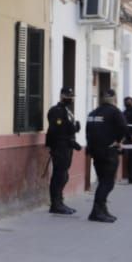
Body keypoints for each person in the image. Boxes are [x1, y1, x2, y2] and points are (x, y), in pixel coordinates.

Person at [84, 88, 128, 223]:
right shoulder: (115, 112)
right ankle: (97, 212)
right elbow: (123, 128)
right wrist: (118, 141)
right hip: (109, 152)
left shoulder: (93, 113)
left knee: (102, 181)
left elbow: (88, 132)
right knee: (107, 183)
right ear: (114, 98)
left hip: (95, 152)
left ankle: (101, 210)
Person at [44, 86, 81, 215]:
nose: (70, 99)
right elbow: (57, 130)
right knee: (59, 175)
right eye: (68, 96)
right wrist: (72, 128)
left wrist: (74, 128)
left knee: (64, 175)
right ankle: (55, 204)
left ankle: (59, 201)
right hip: (60, 147)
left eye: (71, 97)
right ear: (61, 96)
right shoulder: (56, 111)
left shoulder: (67, 110)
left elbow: (68, 127)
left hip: (67, 146)